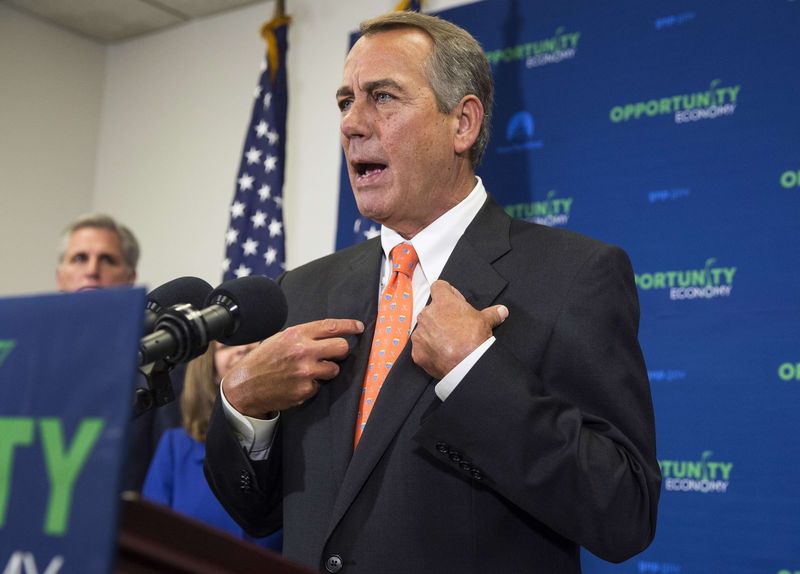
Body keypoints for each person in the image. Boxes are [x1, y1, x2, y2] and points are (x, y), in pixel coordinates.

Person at [205, 11, 660, 574]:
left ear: (462, 123)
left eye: (383, 97)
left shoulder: (574, 275)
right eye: (345, 101)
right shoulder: (304, 289)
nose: (351, 124)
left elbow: (624, 511)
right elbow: (258, 514)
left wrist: (473, 372)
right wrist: (243, 407)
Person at [56, 212, 181, 492]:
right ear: (60, 277)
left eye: (107, 259)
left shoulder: (163, 362)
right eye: (79, 258)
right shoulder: (26, 360)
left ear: (130, 277)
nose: (92, 270)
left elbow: (169, 474)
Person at [143, 342, 283, 551]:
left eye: (257, 339)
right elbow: (150, 538)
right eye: (227, 345)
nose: (242, 348)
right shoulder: (175, 447)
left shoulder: (296, 445)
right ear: (211, 372)